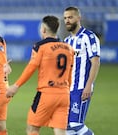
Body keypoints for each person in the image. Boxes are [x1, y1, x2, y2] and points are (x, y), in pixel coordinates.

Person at [6, 15, 74, 135]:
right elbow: (69, 74)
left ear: (43, 30)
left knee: (32, 129)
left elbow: (31, 68)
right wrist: (67, 90)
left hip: (46, 94)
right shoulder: (68, 48)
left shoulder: (40, 46)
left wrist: (16, 86)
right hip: (64, 94)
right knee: (60, 132)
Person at [63, 6, 100, 135]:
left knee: (76, 123)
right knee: (67, 127)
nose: (67, 20)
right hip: (68, 88)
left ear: (79, 18)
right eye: (65, 18)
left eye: (70, 17)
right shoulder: (66, 41)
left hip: (81, 87)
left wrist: (89, 85)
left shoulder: (89, 37)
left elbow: (95, 61)